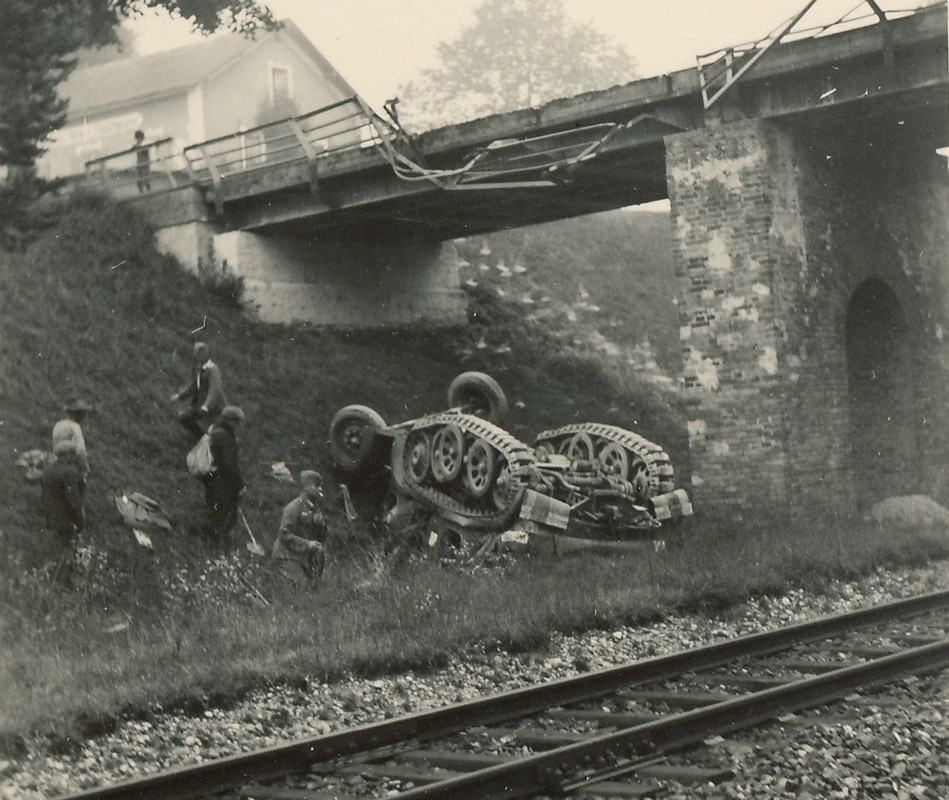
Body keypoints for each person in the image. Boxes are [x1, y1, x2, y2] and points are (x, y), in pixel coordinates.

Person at [270, 470, 328, 587]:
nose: (320, 489)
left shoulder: (315, 508)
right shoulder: (293, 507)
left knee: (314, 587)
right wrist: (307, 544)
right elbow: (284, 535)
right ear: (307, 487)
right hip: (286, 557)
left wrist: (320, 525)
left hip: (303, 557)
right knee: (303, 588)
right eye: (317, 486)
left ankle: (314, 580)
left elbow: (322, 538)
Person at [41, 444, 86, 588]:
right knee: (67, 555)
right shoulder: (68, 473)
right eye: (72, 455)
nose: (74, 458)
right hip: (65, 522)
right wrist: (80, 522)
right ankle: (63, 586)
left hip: (51, 520)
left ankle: (50, 581)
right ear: (67, 456)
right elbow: (74, 501)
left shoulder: (47, 472)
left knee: (55, 553)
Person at [202, 405, 245, 552]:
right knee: (226, 513)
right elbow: (230, 464)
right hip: (223, 481)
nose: (238, 425)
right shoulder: (225, 436)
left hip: (211, 477)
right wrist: (240, 485)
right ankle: (219, 545)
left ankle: (213, 541)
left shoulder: (214, 429)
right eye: (237, 421)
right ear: (230, 421)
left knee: (215, 510)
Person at [170, 342, 227, 440]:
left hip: (214, 407)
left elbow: (215, 390)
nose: (196, 356)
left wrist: (206, 405)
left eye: (198, 354)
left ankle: (210, 443)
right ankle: (200, 438)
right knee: (183, 418)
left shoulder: (213, 370)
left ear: (205, 354)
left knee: (215, 432)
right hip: (200, 404)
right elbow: (193, 386)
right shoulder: (200, 368)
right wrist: (179, 396)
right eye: (195, 353)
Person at [52, 398, 92, 479]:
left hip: (56, 463)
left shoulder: (58, 424)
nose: (84, 416)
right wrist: (85, 468)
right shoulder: (75, 427)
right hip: (71, 465)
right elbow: (80, 451)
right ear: (79, 414)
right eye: (83, 413)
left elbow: (54, 445)